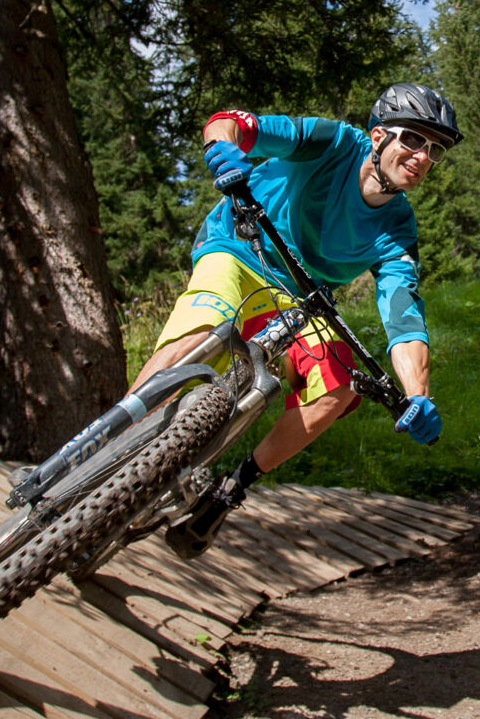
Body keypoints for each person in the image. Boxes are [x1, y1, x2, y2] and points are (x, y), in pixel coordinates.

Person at [129, 82, 459, 559]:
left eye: (435, 150)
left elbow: (403, 316)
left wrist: (417, 396)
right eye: (413, 140)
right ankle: (120, 446)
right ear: (379, 135)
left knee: (337, 392)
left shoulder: (398, 228)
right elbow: (230, 123)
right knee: (201, 335)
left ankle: (227, 493)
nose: (423, 156)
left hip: (299, 299)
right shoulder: (332, 141)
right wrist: (224, 151)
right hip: (238, 249)